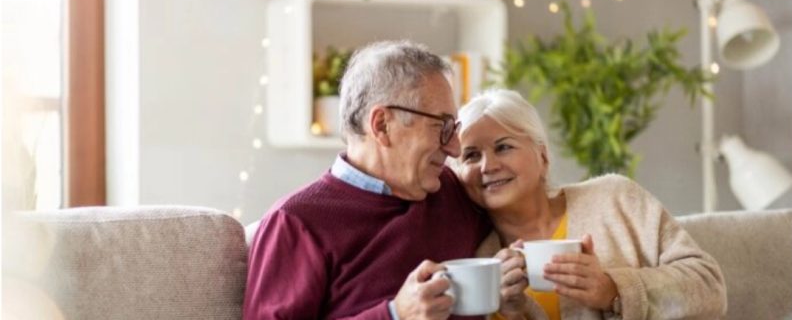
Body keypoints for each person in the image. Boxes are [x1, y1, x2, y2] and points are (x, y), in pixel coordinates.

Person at [244, 41, 526, 319]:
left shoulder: (454, 192)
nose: (454, 148)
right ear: (382, 125)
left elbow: (534, 208)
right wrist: (394, 314)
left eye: (455, 129)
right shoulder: (296, 222)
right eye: (442, 127)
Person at [451, 88, 728, 320]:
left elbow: (709, 286)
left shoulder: (615, 199)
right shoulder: (476, 261)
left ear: (543, 157)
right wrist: (511, 310)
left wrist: (613, 291)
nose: (487, 166)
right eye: (471, 156)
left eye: (503, 147)